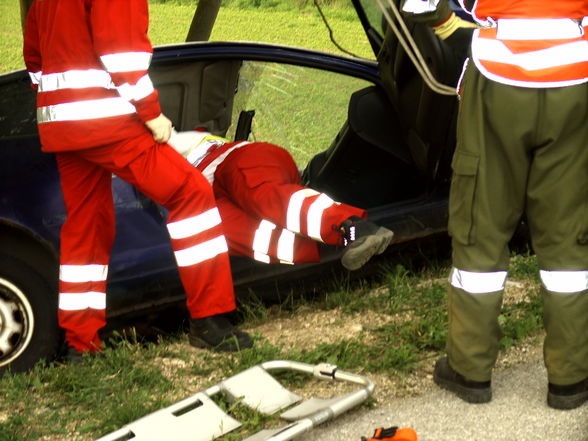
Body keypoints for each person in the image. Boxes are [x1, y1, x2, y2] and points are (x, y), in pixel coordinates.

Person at [22, 0, 252, 359]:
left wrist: (61, 102)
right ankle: (210, 321)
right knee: (191, 194)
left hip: (62, 125)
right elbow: (121, 53)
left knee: (87, 226)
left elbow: (34, 58)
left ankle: (80, 344)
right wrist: (152, 114)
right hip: (106, 120)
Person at [401, 0, 588, 409]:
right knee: (569, 234)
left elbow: (419, 2)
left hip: (496, 79)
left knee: (479, 225)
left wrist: (452, 29)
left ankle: (469, 369)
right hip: (577, 78)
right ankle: (570, 378)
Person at [167, 129, 394, 270]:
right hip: (210, 197)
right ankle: (330, 247)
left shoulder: (162, 138)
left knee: (261, 194)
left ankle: (355, 228)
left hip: (235, 159)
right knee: (229, 233)